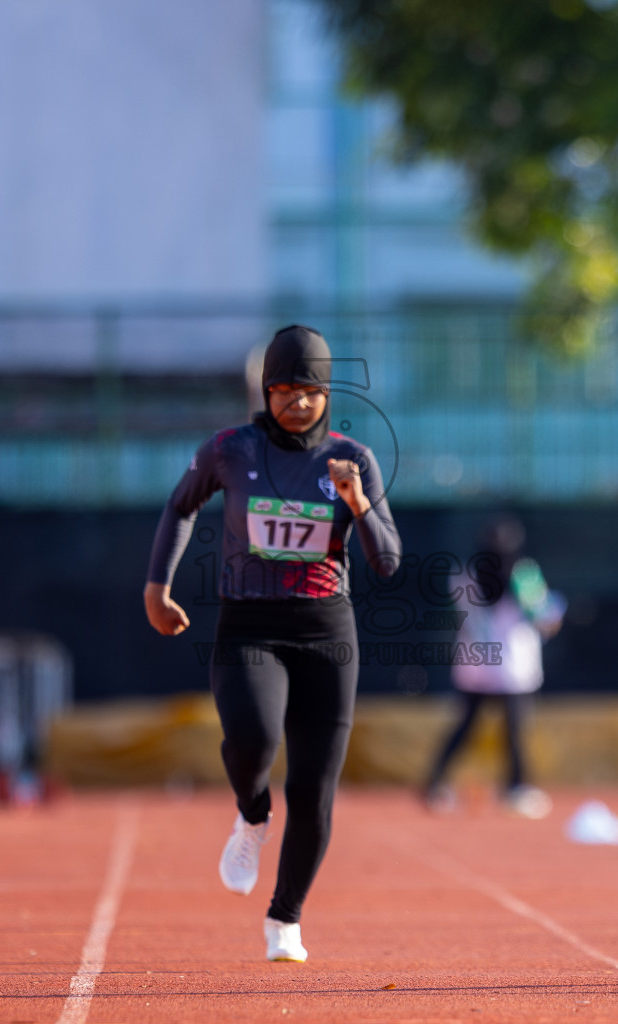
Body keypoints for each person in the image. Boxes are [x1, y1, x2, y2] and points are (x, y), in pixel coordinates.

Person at [144, 325, 401, 962]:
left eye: (308, 391)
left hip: (325, 633)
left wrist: (357, 502)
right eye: (283, 390)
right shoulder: (231, 449)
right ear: (266, 391)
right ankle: (251, 813)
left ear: (326, 394)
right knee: (253, 740)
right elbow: (180, 507)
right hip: (249, 625)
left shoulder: (353, 459)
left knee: (314, 790)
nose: (296, 403)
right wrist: (157, 587)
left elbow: (390, 561)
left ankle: (285, 918)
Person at [423, 516, 564, 819]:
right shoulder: (523, 574)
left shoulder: (461, 573)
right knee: (514, 731)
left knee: (465, 727)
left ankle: (434, 784)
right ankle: (516, 789)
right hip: (512, 667)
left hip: (474, 664)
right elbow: (545, 620)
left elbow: (454, 613)